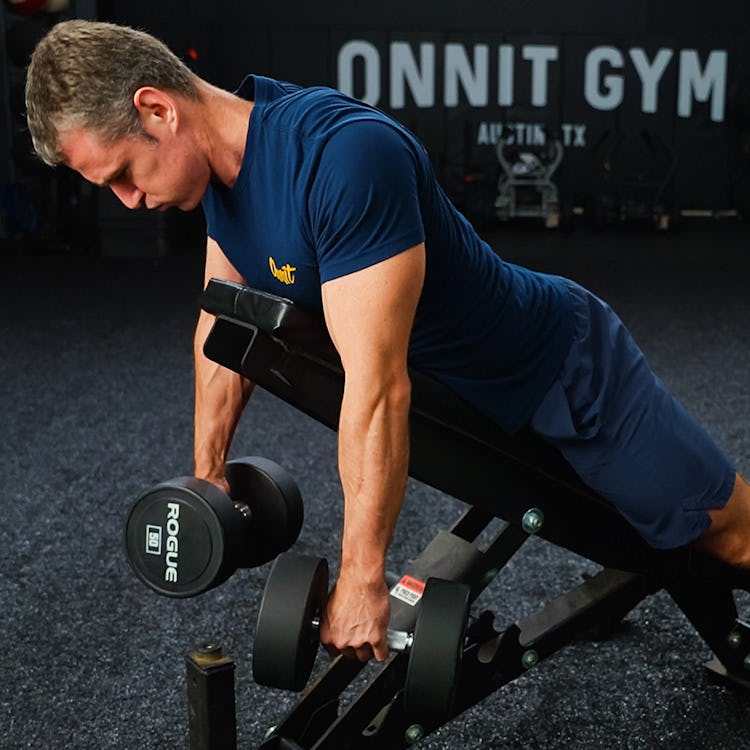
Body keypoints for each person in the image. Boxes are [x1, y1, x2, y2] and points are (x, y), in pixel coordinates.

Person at [25, 20, 750, 663]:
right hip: (469, 398)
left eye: (121, 175)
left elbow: (376, 390)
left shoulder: (342, 157)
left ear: (158, 110)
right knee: (640, 526)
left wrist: (363, 582)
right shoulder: (220, 175)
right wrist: (207, 473)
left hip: (565, 372)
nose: (126, 200)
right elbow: (224, 324)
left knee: (730, 536)